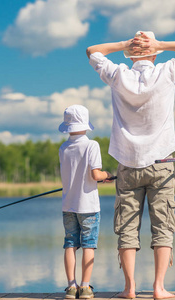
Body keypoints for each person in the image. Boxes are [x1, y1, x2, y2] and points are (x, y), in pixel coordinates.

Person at [86, 31, 175, 299]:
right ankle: (159, 288)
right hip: (160, 162)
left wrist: (125, 45)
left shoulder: (118, 75)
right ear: (153, 53)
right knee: (163, 226)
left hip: (127, 162)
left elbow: (92, 50)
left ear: (131, 54)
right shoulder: (168, 71)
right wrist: (160, 45)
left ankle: (130, 288)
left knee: (127, 227)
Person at [58, 104, 114, 299]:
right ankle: (85, 287)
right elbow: (95, 174)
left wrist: (97, 177)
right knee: (89, 244)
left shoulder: (63, 147)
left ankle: (71, 286)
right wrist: (107, 174)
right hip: (88, 206)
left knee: (70, 244)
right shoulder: (92, 145)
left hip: (68, 204)